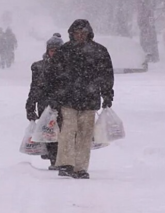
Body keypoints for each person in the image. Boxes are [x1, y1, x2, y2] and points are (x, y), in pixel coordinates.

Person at [44, 20, 114, 179]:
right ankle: (66, 164)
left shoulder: (99, 51)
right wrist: (53, 96)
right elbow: (53, 75)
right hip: (67, 99)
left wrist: (107, 94)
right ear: (72, 34)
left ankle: (80, 167)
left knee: (85, 134)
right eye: (78, 33)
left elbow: (106, 75)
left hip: (89, 100)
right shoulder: (65, 51)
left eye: (83, 33)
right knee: (68, 131)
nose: (81, 36)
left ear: (89, 33)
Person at [26, 33, 64, 170]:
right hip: (45, 105)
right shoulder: (39, 67)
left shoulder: (68, 66)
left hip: (63, 104)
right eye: (52, 50)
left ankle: (61, 160)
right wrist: (30, 107)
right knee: (49, 133)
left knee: (62, 132)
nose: (54, 53)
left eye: (57, 50)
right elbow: (34, 88)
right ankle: (54, 160)